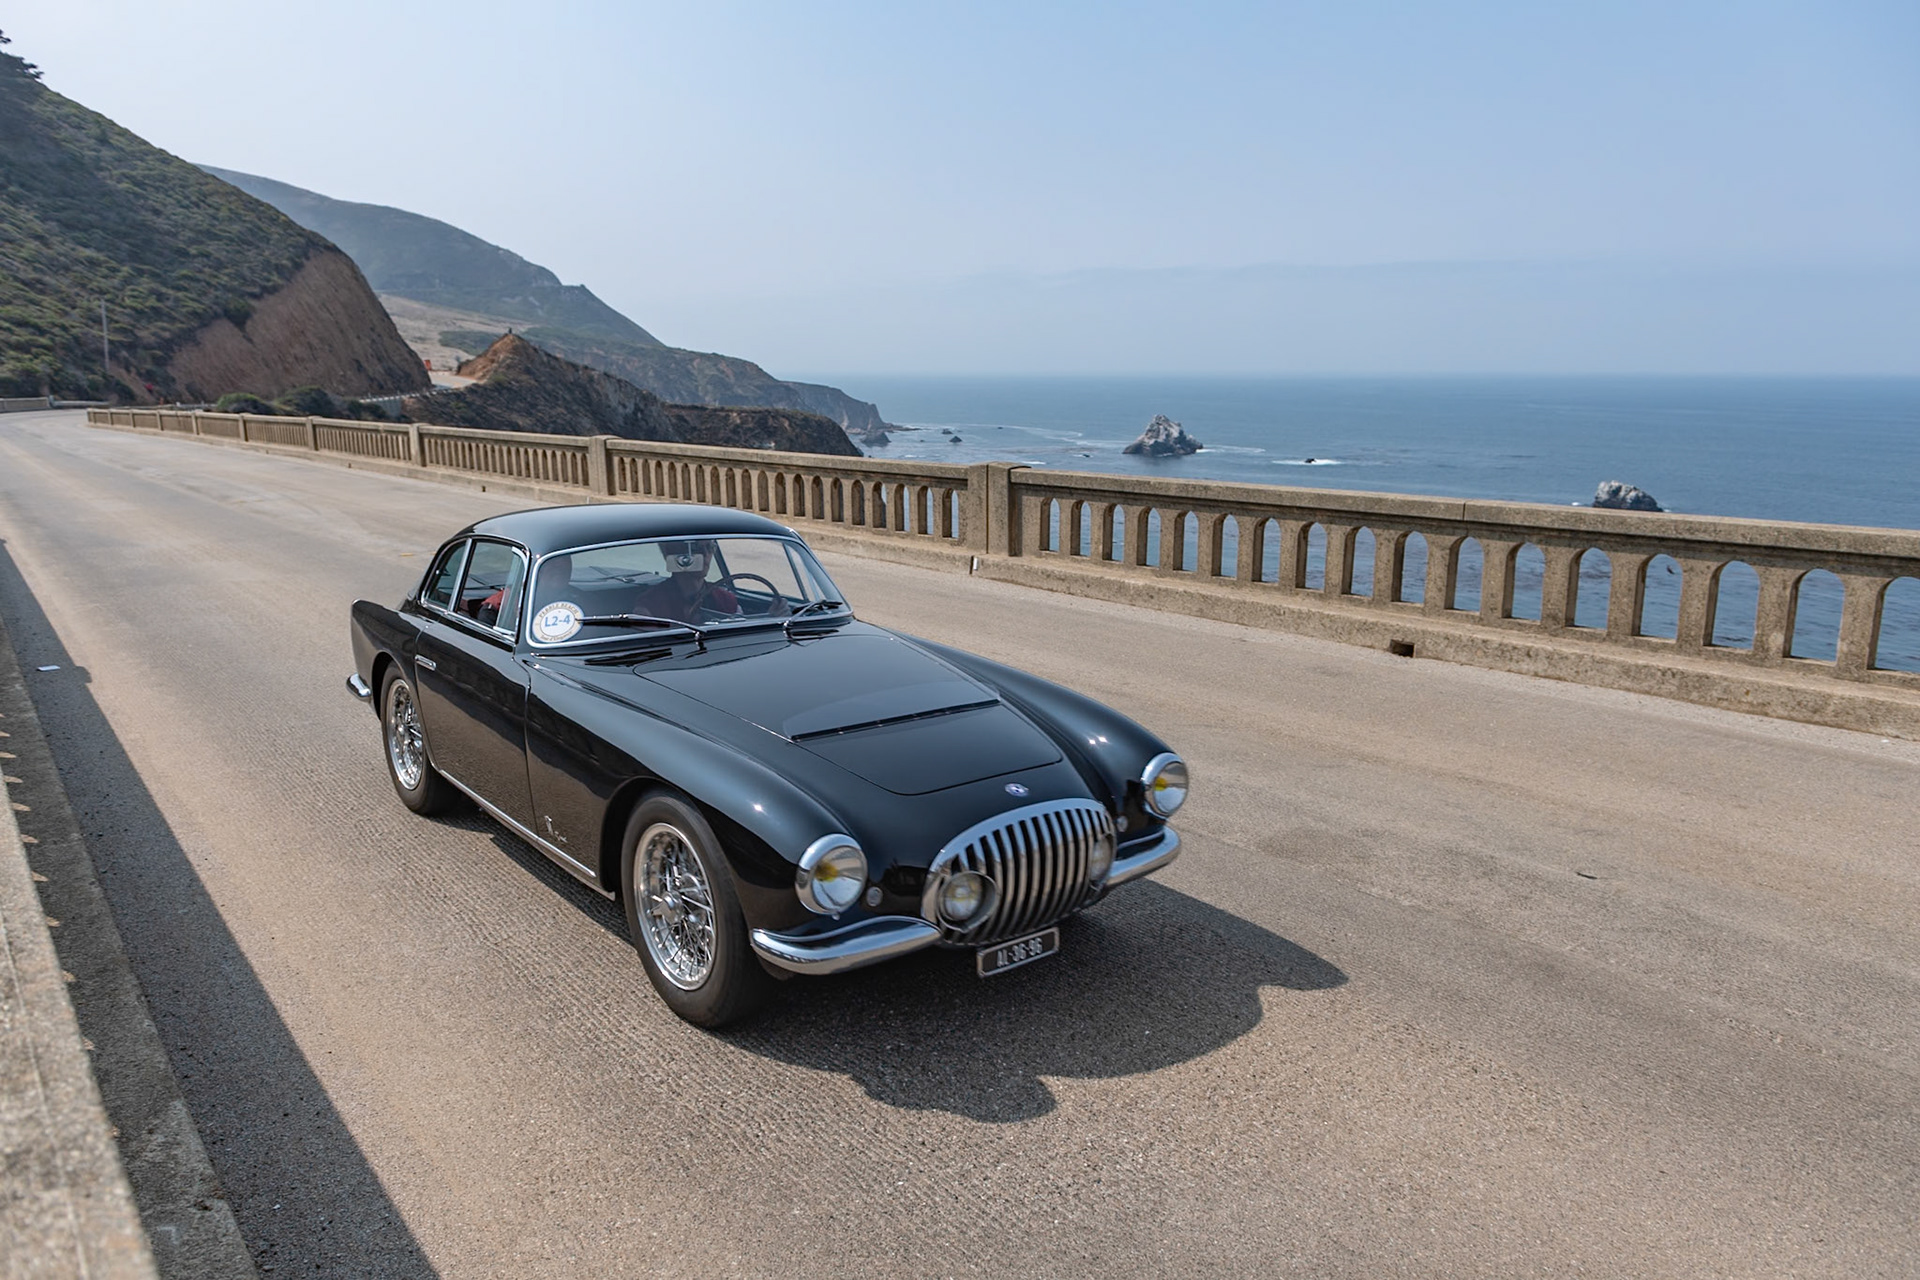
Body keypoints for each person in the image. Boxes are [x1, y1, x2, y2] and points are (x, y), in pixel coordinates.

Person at [633, 540, 736, 623]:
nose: (706, 554)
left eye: (710, 547)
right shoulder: (651, 606)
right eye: (695, 548)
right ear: (673, 554)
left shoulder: (726, 600)